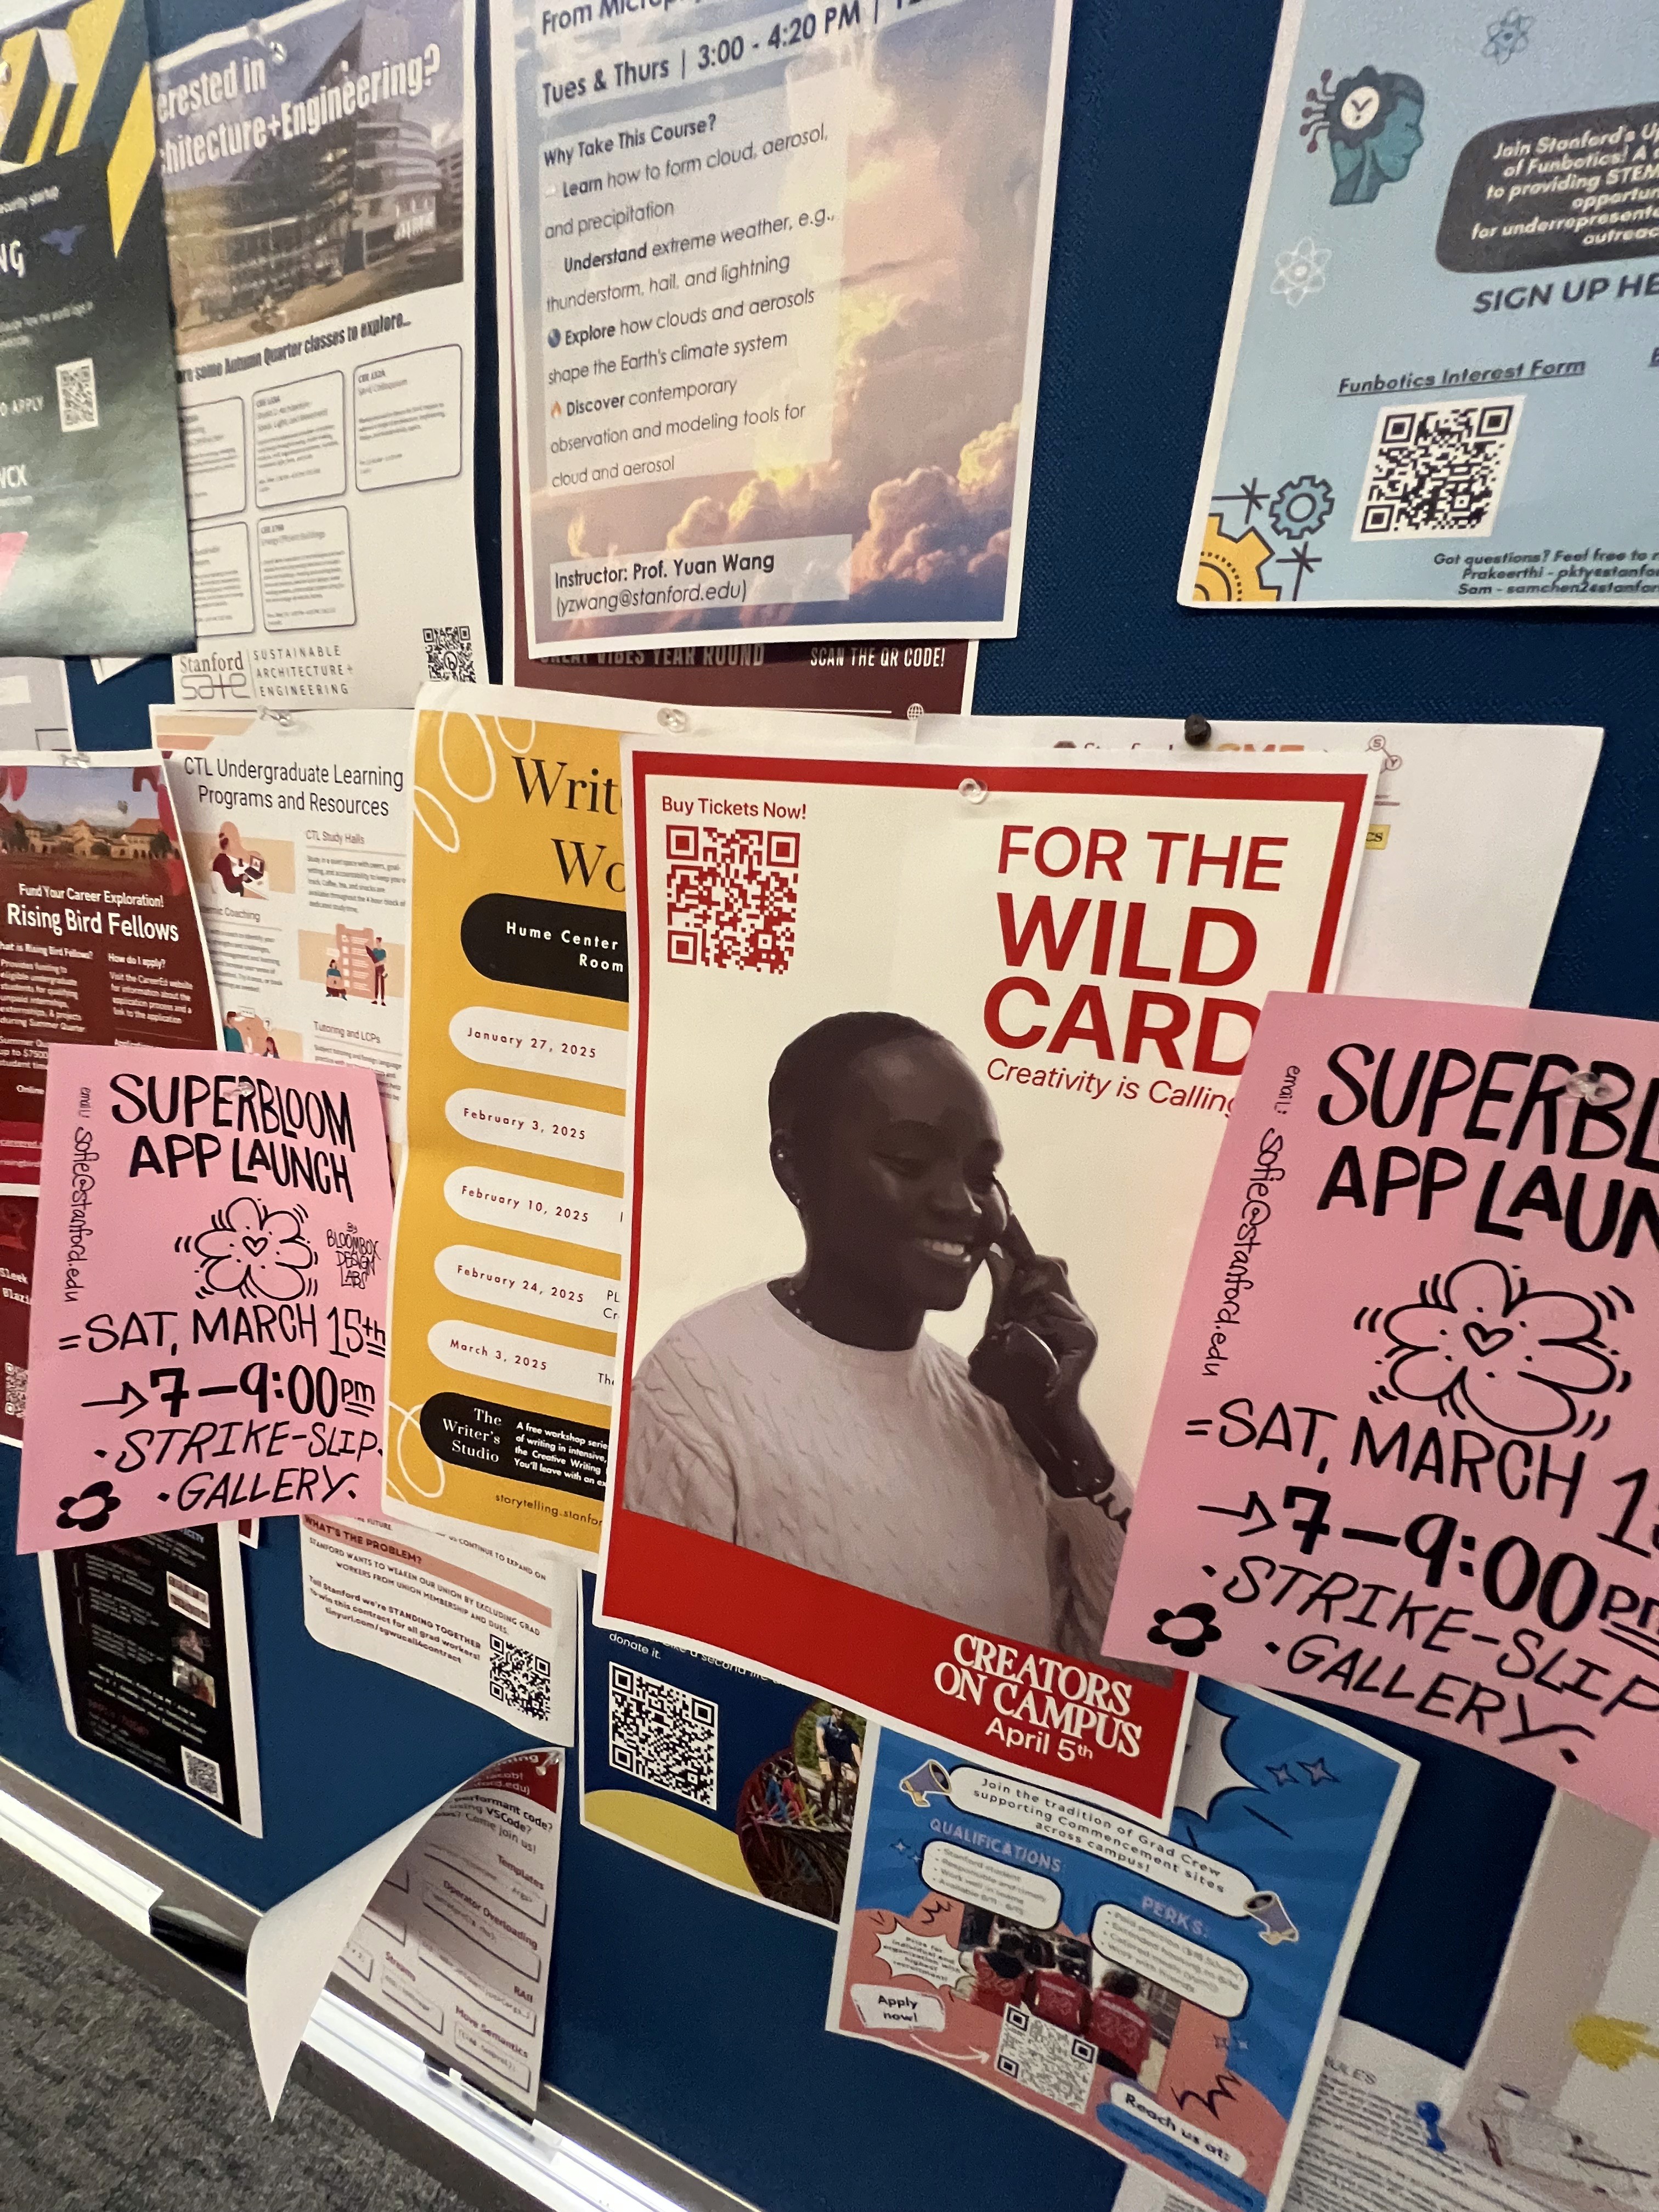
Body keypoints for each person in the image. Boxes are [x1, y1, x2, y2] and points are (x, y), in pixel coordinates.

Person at [624, 1011, 1126, 1656]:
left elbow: (1116, 1689)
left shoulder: (1002, 1413)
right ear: (794, 1167)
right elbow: (659, 1663)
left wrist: (1068, 1443)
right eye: (909, 1161)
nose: (965, 1205)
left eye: (982, 1176)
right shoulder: (695, 1390)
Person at [1091, 1968, 1153, 2079]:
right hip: (1125, 2072)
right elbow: (1144, 2054)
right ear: (1134, 1993)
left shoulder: (1099, 1998)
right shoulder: (1144, 2020)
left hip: (1095, 2058)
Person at [815, 1708, 861, 1822]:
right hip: (827, 1757)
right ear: (833, 1709)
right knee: (828, 1780)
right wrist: (822, 1751)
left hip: (843, 1761)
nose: (841, 1713)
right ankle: (825, 1810)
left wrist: (861, 1766)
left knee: (852, 1780)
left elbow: (855, 1749)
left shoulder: (850, 1732)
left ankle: (842, 1809)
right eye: (839, 1709)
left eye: (844, 1711)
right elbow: (819, 1737)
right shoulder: (823, 1722)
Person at [368, 933, 388, 1004]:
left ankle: (382, 1000)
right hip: (375, 968)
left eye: (377, 942)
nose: (376, 943)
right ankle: (376, 999)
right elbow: (372, 958)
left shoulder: (383, 951)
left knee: (382, 984)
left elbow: (385, 960)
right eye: (376, 942)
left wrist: (379, 963)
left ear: (380, 942)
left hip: (381, 968)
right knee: (376, 983)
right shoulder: (375, 950)